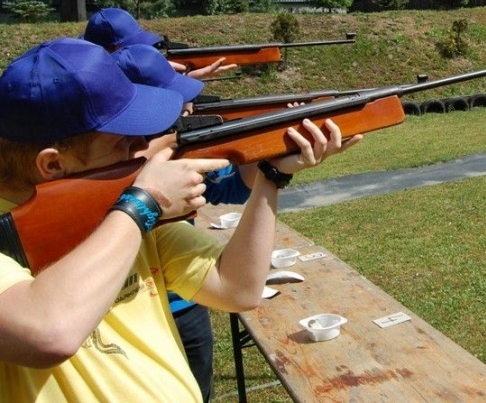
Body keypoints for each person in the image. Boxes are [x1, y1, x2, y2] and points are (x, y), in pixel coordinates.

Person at [0, 38, 361, 402]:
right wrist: (144, 202)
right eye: (124, 144)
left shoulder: (122, 214)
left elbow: (237, 287)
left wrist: (271, 176)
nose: (143, 150)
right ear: (52, 164)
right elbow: (50, 333)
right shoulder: (128, 212)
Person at [112, 43, 255, 401]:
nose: (188, 108)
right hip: (145, 307)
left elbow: (231, 189)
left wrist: (271, 166)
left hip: (188, 296)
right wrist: (147, 200)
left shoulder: (173, 153)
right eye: (174, 100)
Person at [83, 7, 238, 80]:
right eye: (131, 46)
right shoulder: (87, 78)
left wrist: (187, 76)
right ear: (110, 49)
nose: (141, 50)